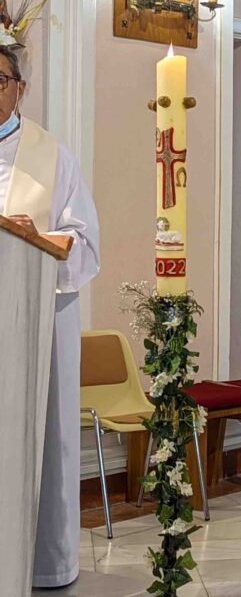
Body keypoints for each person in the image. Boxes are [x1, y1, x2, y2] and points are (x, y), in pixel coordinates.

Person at [0, 45, 100, 587]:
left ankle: (46, 563)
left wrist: (37, 239)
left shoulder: (51, 155)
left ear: (21, 87)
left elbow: (84, 241)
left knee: (44, 440)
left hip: (36, 323)